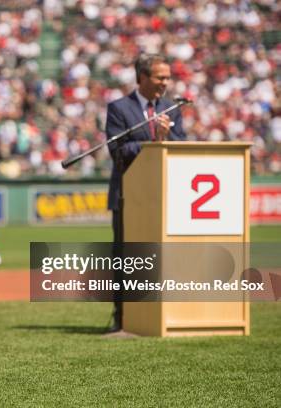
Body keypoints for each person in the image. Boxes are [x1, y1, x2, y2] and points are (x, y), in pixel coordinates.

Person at [105, 53, 186, 332]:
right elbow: (117, 151)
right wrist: (153, 141)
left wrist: (167, 139)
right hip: (128, 195)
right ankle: (123, 318)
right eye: (159, 77)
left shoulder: (172, 108)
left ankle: (163, 314)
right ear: (141, 77)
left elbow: (182, 145)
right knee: (125, 257)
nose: (165, 82)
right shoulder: (118, 108)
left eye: (167, 77)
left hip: (164, 196)